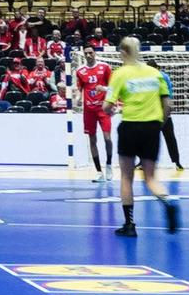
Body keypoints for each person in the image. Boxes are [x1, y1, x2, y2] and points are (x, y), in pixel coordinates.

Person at [107, 35, 177, 237]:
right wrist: (158, 124)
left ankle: (129, 224)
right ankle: (168, 201)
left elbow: (107, 106)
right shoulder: (155, 73)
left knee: (126, 177)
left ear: (123, 52)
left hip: (130, 127)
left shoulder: (120, 74)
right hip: (152, 129)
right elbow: (168, 105)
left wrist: (110, 109)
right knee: (151, 177)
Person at [74, 47, 115, 182]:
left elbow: (114, 87)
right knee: (92, 140)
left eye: (90, 52)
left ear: (95, 53)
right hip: (89, 110)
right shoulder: (80, 71)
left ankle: (109, 164)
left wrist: (108, 96)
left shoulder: (105, 67)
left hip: (103, 108)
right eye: (86, 53)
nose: (88, 55)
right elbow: (80, 88)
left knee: (107, 138)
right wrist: (79, 98)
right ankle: (99, 172)